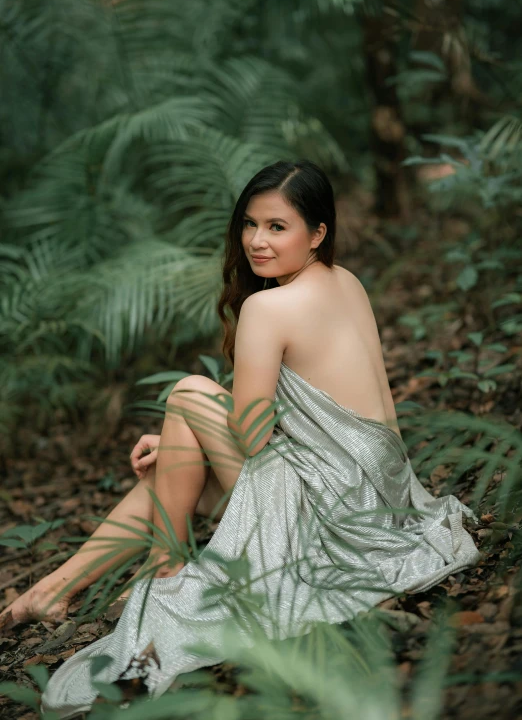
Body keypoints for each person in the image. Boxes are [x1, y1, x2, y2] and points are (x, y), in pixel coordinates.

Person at [0, 160, 480, 717]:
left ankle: (164, 566)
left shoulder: (267, 307)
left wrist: (192, 422)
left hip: (332, 520)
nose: (257, 241)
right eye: (250, 225)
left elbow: (252, 440)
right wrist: (188, 438)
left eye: (278, 227)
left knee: (186, 392)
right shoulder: (346, 281)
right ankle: (55, 587)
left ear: (317, 232)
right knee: (185, 442)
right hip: (382, 501)